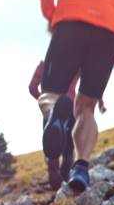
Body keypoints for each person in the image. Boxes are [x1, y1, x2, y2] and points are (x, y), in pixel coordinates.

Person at [35, 0, 114, 192]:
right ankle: (81, 166)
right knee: (86, 106)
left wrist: (51, 12)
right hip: (107, 32)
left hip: (70, 22)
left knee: (50, 93)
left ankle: (54, 113)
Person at [29, 61, 80, 190]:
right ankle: (65, 182)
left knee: (52, 149)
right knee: (68, 149)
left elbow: (32, 87)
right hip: (69, 109)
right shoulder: (75, 66)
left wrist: (44, 102)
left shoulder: (44, 65)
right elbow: (89, 84)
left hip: (50, 111)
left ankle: (56, 185)